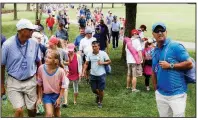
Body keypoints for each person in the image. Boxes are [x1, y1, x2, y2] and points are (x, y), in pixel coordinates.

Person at [1, 19, 41, 117]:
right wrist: (1, 85)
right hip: (14, 81)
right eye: (30, 30)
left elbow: (38, 61)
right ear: (22, 30)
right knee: (19, 110)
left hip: (31, 80)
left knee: (32, 110)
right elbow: (2, 65)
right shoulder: (7, 45)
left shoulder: (34, 43)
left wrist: (40, 79)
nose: (33, 32)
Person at [151, 22, 193, 117]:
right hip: (161, 94)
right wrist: (155, 88)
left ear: (166, 32)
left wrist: (170, 65)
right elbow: (153, 71)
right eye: (157, 31)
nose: (160, 33)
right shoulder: (154, 50)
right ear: (153, 34)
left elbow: (189, 63)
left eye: (162, 30)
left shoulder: (175, 46)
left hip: (177, 94)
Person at [37, 50, 69, 117]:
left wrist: (59, 98)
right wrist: (39, 98)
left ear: (55, 61)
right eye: (46, 57)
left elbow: (63, 87)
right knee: (49, 114)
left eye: (49, 58)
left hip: (57, 95)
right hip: (46, 95)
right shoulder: (41, 68)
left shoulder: (60, 71)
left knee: (57, 114)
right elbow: (39, 85)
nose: (46, 59)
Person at [82, 41, 111, 108]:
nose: (94, 48)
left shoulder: (103, 53)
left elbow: (109, 61)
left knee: (101, 89)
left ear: (99, 47)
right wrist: (83, 71)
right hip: (93, 74)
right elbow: (86, 63)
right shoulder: (89, 54)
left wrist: (102, 63)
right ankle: (99, 95)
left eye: (95, 46)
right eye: (93, 46)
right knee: (93, 89)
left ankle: (100, 102)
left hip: (101, 74)